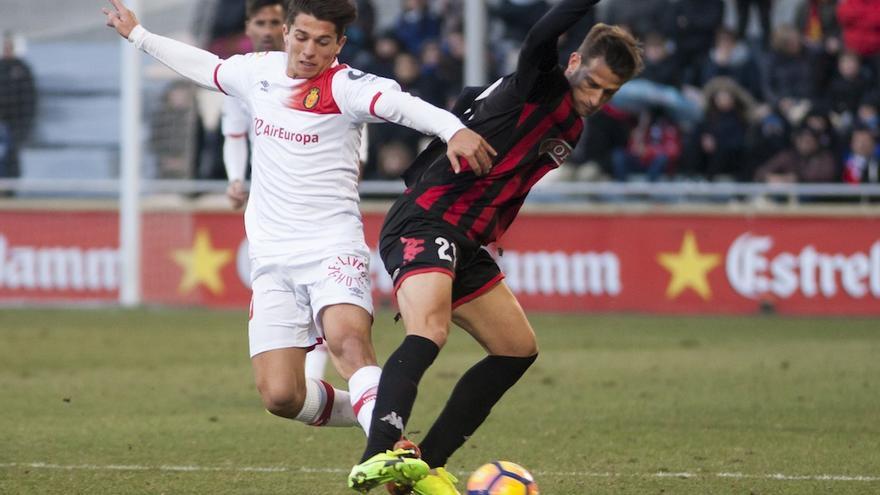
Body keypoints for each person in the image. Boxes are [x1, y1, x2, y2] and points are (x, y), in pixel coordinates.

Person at [102, 0, 495, 444]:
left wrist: (451, 129)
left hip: (332, 247)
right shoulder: (258, 72)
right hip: (271, 258)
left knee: (348, 342)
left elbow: (402, 105)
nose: (309, 50)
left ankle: (388, 443)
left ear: (339, 45)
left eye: (322, 42)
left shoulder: (346, 87)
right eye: (302, 37)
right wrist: (139, 35)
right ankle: (377, 412)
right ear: (286, 32)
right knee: (281, 395)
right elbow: (205, 67)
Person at [347, 1, 643, 493]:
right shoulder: (541, 86)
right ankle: (377, 452)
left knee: (517, 350)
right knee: (430, 331)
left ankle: (424, 463)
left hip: (467, 240)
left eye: (608, 92)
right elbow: (540, 37)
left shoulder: (574, 126)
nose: (595, 97)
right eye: (591, 83)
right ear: (573, 64)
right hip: (425, 219)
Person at [219, 0, 331, 380]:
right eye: (260, 22)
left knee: (323, 285)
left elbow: (351, 124)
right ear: (248, 27)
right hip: (272, 199)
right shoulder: (241, 75)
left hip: (319, 194)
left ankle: (314, 374)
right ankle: (300, 374)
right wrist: (236, 178)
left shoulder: (314, 68)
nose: (267, 29)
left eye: (274, 22)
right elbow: (234, 133)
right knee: (283, 285)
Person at [0, 31, 37, 184]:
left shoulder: (22, 69)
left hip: (16, 120)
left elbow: (29, 96)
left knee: (12, 154)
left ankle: (11, 187)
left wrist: (25, 121)